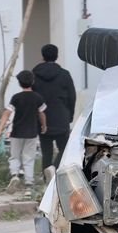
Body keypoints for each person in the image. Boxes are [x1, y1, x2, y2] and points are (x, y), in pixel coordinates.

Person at [0, 70, 46, 197]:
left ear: (19, 83)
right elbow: (42, 113)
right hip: (32, 133)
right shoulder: (37, 98)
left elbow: (7, 113)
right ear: (32, 81)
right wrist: (44, 125)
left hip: (16, 132)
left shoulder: (16, 98)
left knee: (14, 156)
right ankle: (28, 184)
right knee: (29, 158)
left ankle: (15, 175)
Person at [31, 44, 77, 174]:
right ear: (57, 56)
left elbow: (32, 95)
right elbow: (72, 96)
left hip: (42, 118)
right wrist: (70, 115)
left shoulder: (34, 75)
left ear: (42, 56)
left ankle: (47, 179)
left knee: (46, 151)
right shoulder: (64, 75)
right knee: (64, 149)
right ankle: (55, 169)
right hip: (61, 116)